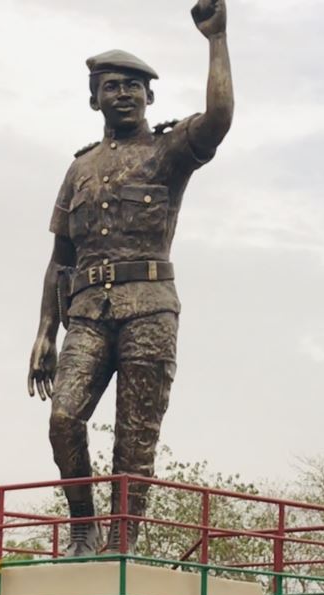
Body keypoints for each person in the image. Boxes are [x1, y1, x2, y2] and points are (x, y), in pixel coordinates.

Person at [27, 0, 233, 556]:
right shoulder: (80, 168)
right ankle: (82, 527)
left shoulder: (167, 152)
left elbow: (218, 121)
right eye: (111, 85)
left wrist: (216, 41)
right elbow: (59, 256)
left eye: (133, 86)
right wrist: (45, 331)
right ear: (94, 97)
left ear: (150, 97)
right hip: (88, 313)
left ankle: (122, 539)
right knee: (63, 419)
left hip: (149, 307)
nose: (122, 94)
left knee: (134, 438)